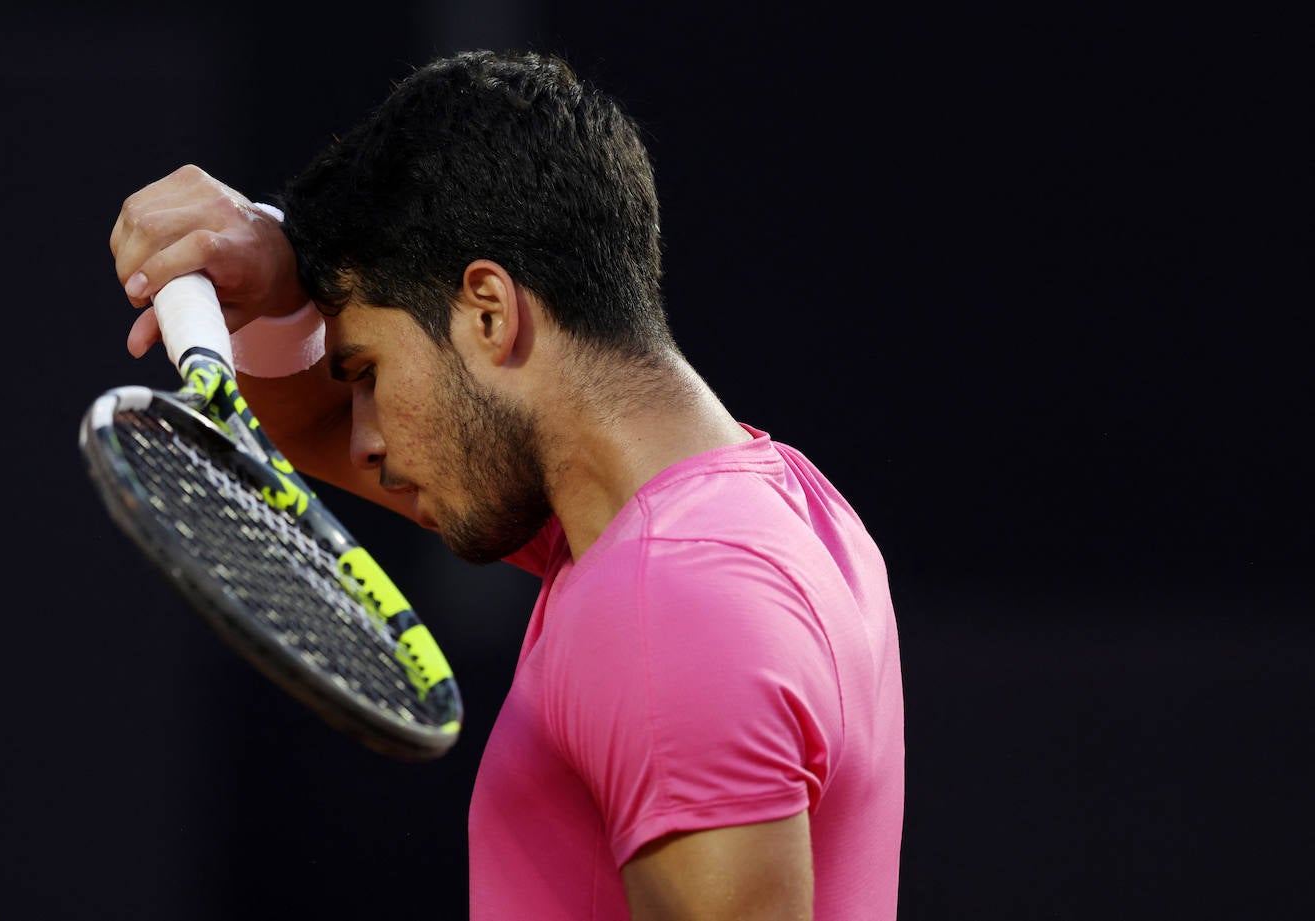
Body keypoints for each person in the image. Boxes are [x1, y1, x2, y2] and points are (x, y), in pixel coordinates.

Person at [110, 50, 904, 921]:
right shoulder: (768, 507)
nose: (363, 432)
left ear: (488, 311)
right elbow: (309, 426)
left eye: (369, 370)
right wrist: (278, 269)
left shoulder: (665, 599)